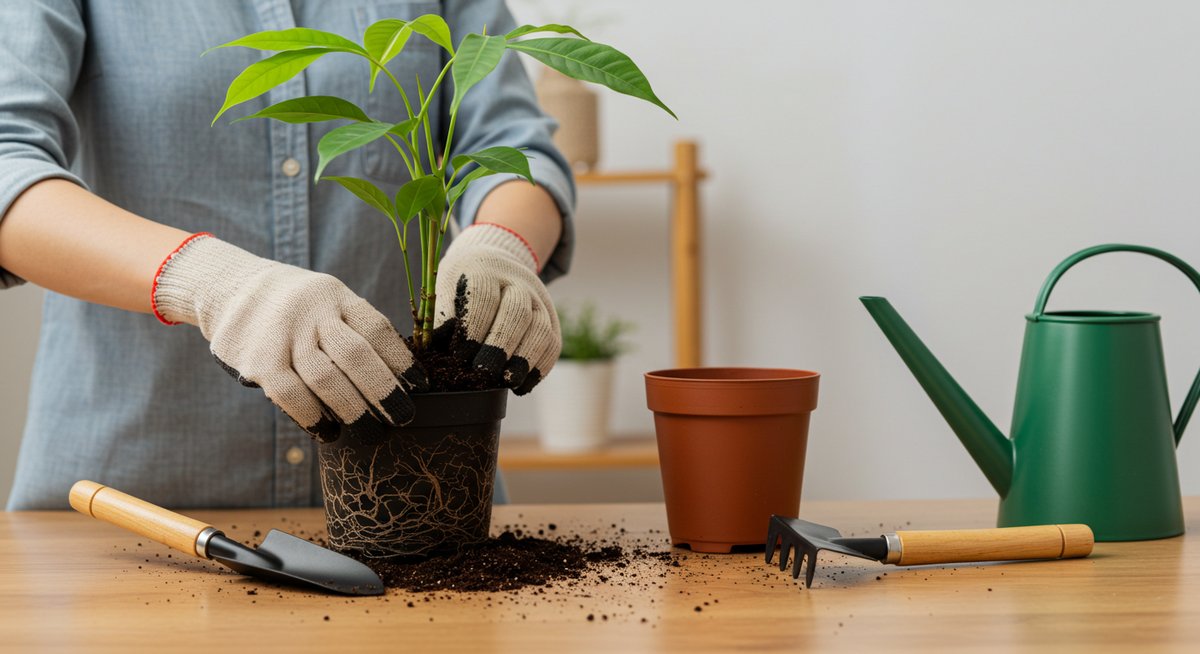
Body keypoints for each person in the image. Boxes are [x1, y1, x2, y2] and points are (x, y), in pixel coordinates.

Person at [0, 0, 574, 509]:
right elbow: (9, 160)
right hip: (128, 509)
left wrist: (500, 243)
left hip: (414, 491)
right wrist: (208, 281)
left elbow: (514, 144)